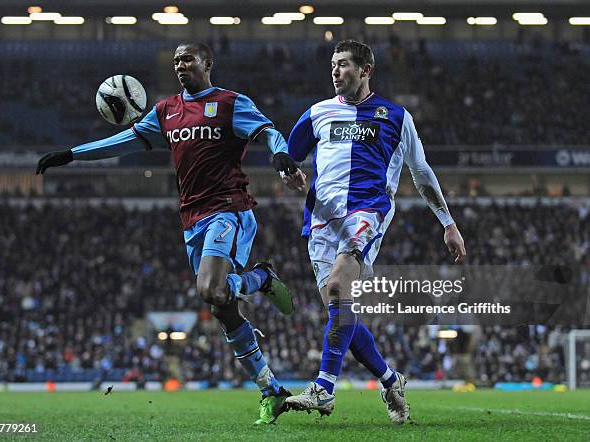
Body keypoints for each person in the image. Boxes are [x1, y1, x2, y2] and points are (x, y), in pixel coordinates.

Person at [36, 42, 306, 425]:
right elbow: (124, 142)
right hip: (192, 220)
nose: (180, 65)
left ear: (207, 63)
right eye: (177, 60)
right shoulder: (165, 111)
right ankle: (271, 390)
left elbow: (268, 131)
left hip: (228, 209)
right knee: (221, 307)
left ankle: (261, 276)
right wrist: (72, 154)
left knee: (210, 289)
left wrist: (280, 155)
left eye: (188, 59)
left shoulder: (230, 102)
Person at [284, 40, 466, 423]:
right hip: (320, 220)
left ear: (365, 70)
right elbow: (288, 153)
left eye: (344, 64)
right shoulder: (318, 113)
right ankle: (390, 379)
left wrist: (447, 223)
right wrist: (288, 172)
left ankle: (323, 389)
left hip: (367, 211)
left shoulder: (396, 116)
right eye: (333, 65)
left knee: (338, 288)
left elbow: (422, 173)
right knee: (340, 313)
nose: (335, 71)